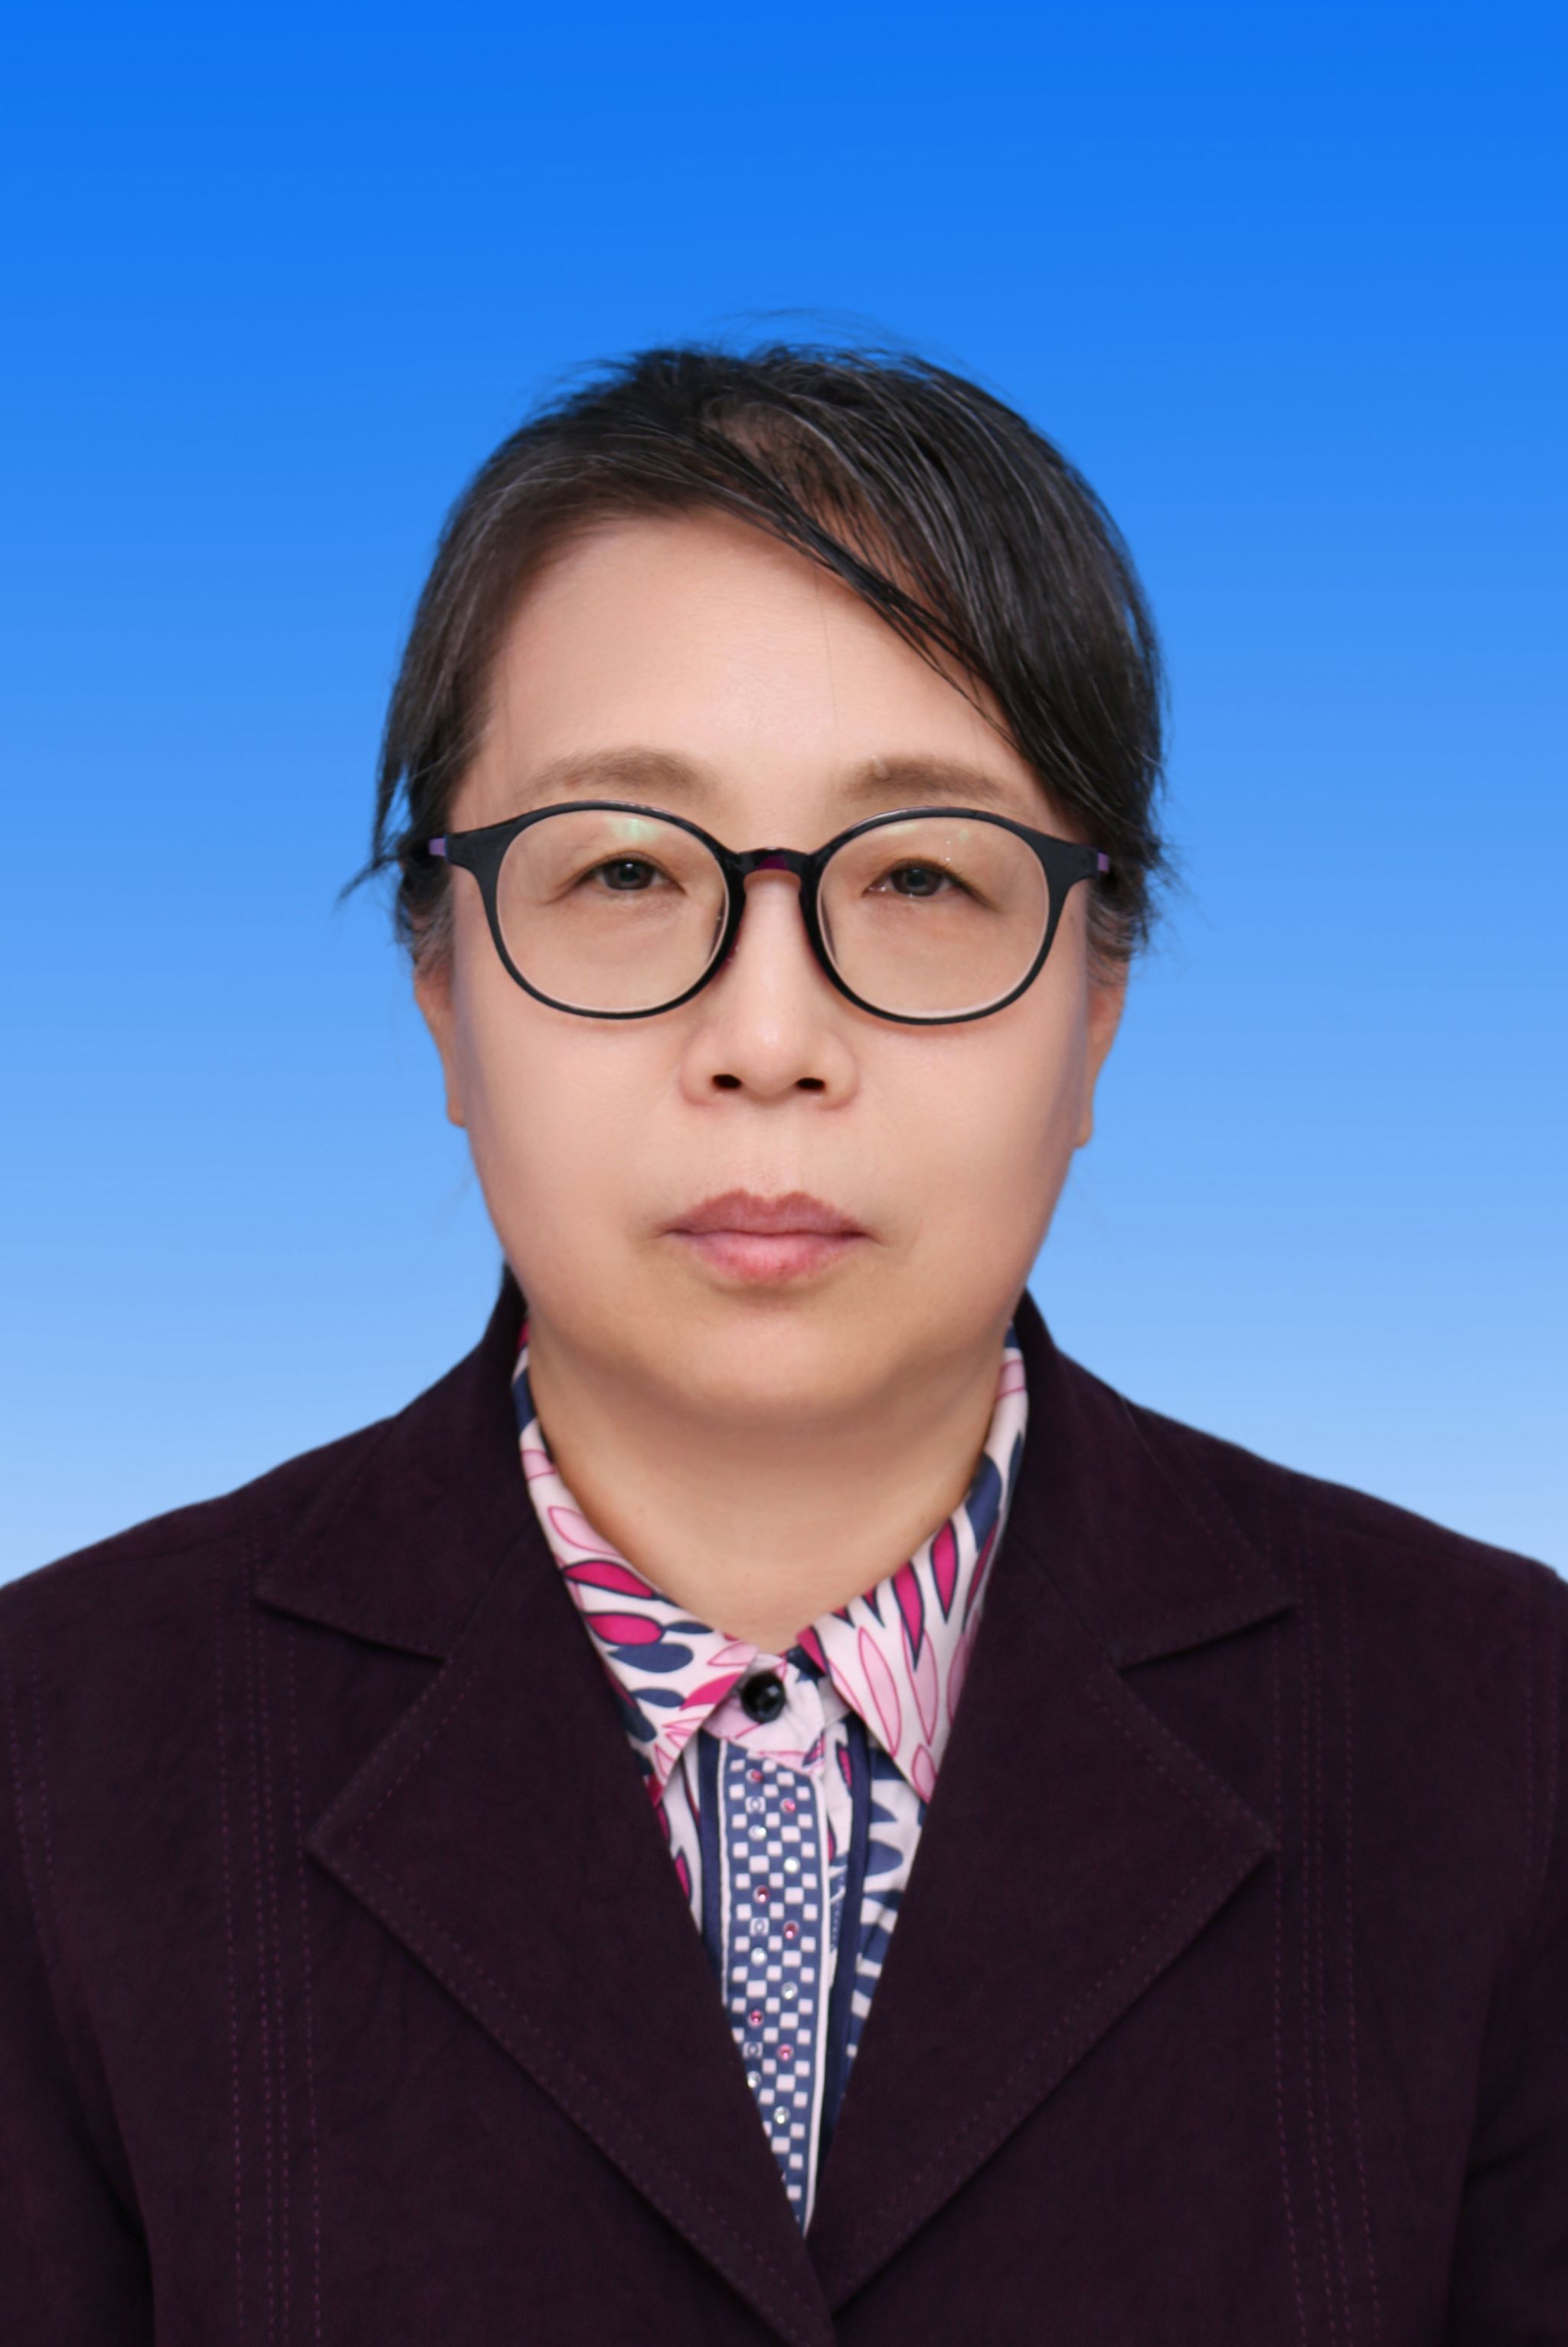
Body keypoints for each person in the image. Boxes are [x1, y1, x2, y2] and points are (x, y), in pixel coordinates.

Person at [2, 343, 1562, 2345]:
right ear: (440, 986)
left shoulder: (1499, 1738)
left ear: (1097, 1003)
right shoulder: (61, 1758)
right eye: (624, 870)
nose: (767, 1038)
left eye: (918, 876)